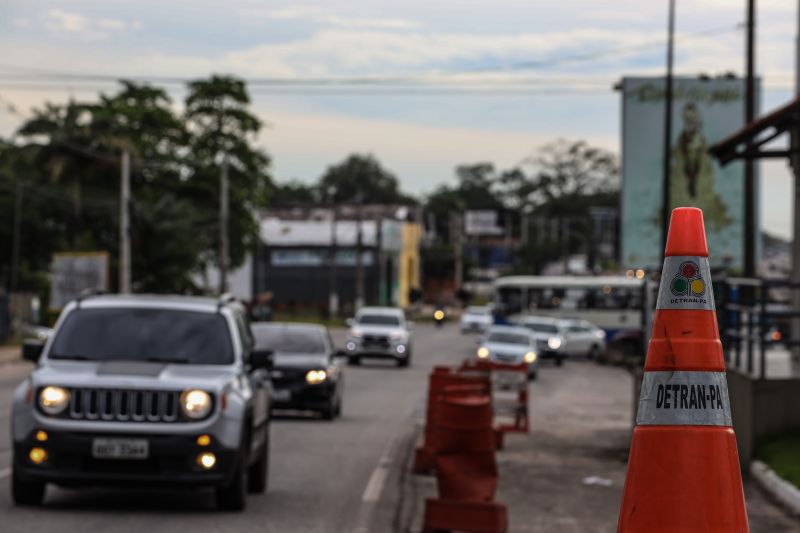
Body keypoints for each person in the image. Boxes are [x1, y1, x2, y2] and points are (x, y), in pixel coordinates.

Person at [670, 102, 732, 231]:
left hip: (701, 191)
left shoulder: (702, 143)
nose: (690, 122)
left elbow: (706, 171)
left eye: (693, 119)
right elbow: (678, 169)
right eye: (687, 119)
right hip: (683, 192)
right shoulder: (680, 143)